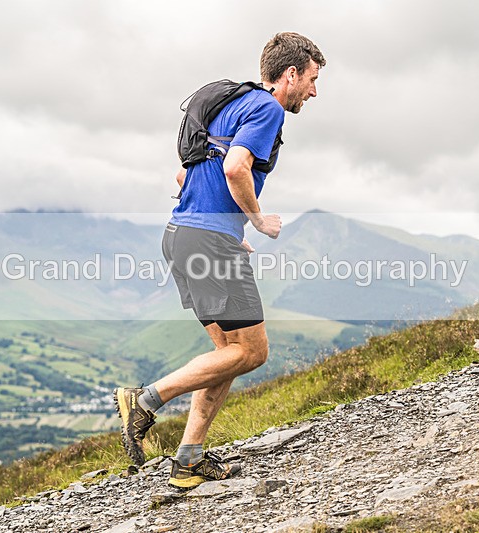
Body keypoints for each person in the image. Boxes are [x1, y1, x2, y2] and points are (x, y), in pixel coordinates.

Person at [114, 31, 325, 490]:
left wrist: (229, 229)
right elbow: (234, 168)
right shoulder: (267, 108)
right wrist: (256, 221)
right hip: (207, 242)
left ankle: (188, 459)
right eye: (311, 79)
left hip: (181, 235)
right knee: (252, 351)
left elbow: (185, 172)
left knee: (227, 354)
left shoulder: (231, 106)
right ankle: (146, 400)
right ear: (290, 74)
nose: (314, 91)